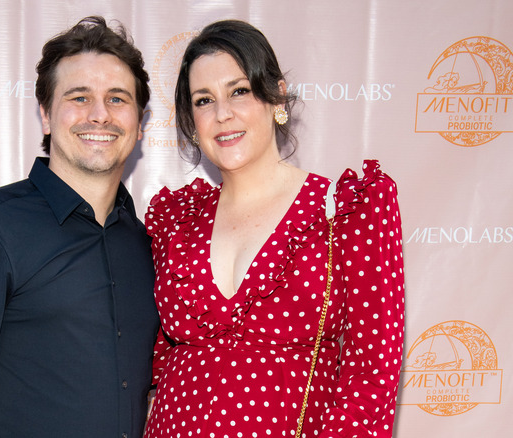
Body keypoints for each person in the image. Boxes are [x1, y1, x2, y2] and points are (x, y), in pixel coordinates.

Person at [143, 20, 405, 438]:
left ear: (276, 94)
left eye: (239, 91)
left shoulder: (346, 211)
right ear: (191, 120)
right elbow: (159, 364)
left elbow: (371, 379)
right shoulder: (178, 220)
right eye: (204, 100)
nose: (222, 113)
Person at [0, 16, 159, 438]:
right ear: (46, 116)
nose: (99, 115)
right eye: (79, 97)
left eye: (117, 99)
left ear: (139, 123)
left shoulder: (143, 243)